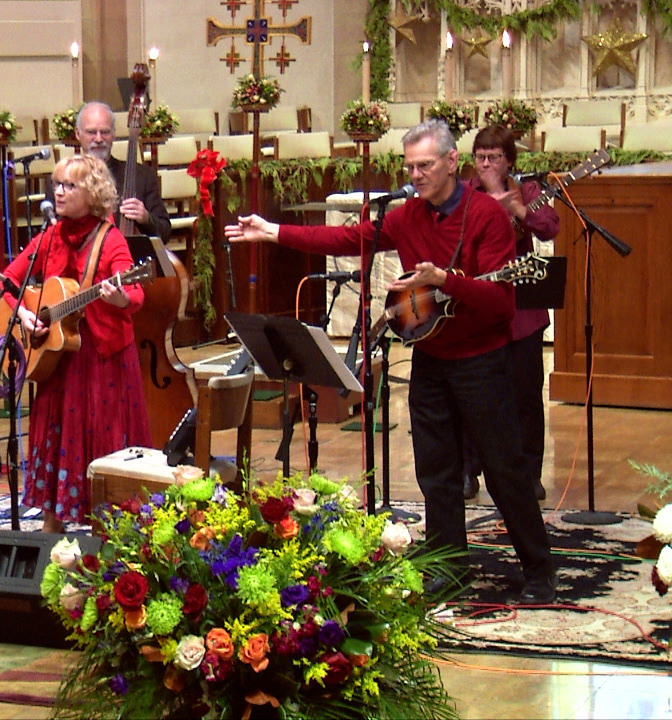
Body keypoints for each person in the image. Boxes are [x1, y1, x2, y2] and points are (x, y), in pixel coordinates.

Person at [224, 119, 557, 604]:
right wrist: (272, 231)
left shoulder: (485, 215)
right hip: (431, 357)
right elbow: (344, 240)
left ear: (450, 163)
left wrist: (445, 279)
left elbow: (503, 305)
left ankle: (539, 570)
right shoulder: (404, 216)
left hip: (483, 362)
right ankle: (449, 566)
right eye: (410, 167)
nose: (416, 175)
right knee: (435, 470)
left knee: (505, 470)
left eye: (425, 165)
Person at [0, 154, 151, 533]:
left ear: (94, 192)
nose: (60, 192)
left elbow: (134, 295)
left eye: (70, 186)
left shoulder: (111, 238)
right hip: (58, 360)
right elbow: (7, 282)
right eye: (57, 185)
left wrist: (115, 296)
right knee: (53, 436)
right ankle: (53, 520)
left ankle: (110, 525)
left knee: (103, 438)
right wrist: (23, 316)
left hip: (101, 360)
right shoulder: (50, 236)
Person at [462, 124, 560, 502]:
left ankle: (528, 474)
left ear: (510, 161)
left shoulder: (528, 190)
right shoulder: (465, 194)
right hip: (477, 307)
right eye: (480, 157)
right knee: (472, 393)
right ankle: (469, 472)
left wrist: (518, 208)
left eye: (494, 157)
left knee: (526, 395)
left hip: (522, 311)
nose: (486, 164)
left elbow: (549, 226)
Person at [75, 101, 171, 241]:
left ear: (114, 134)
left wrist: (145, 218)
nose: (98, 139)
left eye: (105, 132)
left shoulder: (142, 176)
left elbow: (165, 232)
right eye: (91, 132)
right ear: (78, 134)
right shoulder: (63, 180)